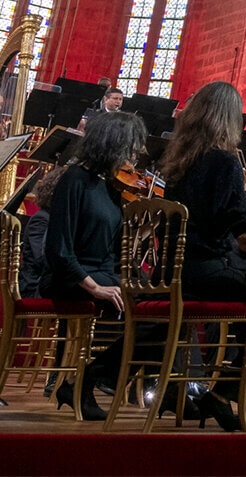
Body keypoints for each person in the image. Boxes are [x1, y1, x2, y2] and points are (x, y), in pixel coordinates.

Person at [157, 81, 246, 431]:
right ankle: (235, 398)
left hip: (176, 271)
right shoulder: (224, 161)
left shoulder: (180, 161)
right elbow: (245, 233)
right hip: (206, 272)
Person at [40, 113, 144, 420]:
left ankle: (87, 379)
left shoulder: (111, 187)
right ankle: (93, 379)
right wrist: (95, 286)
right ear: (111, 145)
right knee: (155, 308)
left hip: (101, 273)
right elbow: (58, 251)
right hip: (68, 276)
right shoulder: (73, 180)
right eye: (131, 148)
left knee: (166, 301)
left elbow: (113, 251)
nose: (134, 156)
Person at [18, 166, 69, 298]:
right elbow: (41, 258)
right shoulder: (41, 218)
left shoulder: (56, 218)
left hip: (48, 280)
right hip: (35, 285)